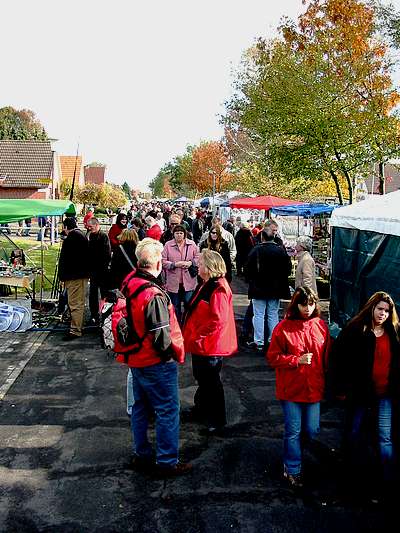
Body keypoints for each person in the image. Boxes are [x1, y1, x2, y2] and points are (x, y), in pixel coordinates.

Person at [116, 238, 192, 477]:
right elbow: (161, 334)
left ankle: (142, 453)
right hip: (154, 360)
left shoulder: (131, 281)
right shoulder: (152, 294)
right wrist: (170, 355)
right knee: (167, 409)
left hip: (136, 357)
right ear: (158, 262)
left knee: (140, 407)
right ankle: (168, 460)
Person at [329, 291, 400, 499]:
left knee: (385, 438)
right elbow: (338, 359)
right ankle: (347, 479)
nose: (383, 314)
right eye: (380, 309)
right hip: (360, 393)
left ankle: (387, 483)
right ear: (371, 307)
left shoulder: (394, 331)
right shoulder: (355, 330)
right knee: (353, 433)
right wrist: (340, 389)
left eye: (387, 311)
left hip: (385, 393)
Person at [267, 287, 330, 488]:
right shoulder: (283, 327)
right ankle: (292, 468)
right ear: (296, 304)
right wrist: (296, 360)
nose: (307, 308)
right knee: (293, 430)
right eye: (303, 304)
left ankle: (291, 454)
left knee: (311, 430)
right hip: (291, 389)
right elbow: (273, 357)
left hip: (314, 388)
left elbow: (327, 358)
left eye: (311, 304)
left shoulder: (320, 325)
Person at [182, 249, 238, 435]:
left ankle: (216, 420)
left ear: (209, 267)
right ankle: (202, 410)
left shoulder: (218, 287)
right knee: (204, 378)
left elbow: (218, 320)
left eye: (200, 263)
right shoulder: (208, 284)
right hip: (203, 343)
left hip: (209, 344)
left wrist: (199, 336)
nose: (197, 265)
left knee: (211, 382)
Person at [244, 227, 291, 351]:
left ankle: (259, 341)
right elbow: (287, 270)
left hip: (258, 288)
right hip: (275, 289)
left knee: (258, 314)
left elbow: (248, 269)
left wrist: (250, 280)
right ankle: (272, 340)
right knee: (273, 314)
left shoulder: (256, 250)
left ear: (262, 237)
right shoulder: (280, 251)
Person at [58, 218, 90, 340]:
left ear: (66, 227)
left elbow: (66, 260)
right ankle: (77, 326)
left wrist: (62, 276)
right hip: (79, 276)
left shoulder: (72, 238)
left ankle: (76, 330)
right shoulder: (80, 236)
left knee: (75, 303)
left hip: (74, 276)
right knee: (78, 302)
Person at [162, 225, 199, 323]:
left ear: (185, 234)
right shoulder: (168, 245)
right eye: (177, 233)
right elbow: (163, 261)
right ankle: (177, 325)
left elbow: (198, 258)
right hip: (174, 281)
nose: (179, 235)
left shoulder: (192, 244)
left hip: (189, 281)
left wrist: (190, 263)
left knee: (189, 303)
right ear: (173, 234)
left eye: (181, 233)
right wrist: (174, 264)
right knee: (175, 305)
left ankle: (188, 324)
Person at [87, 217, 112, 325]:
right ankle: (94, 315)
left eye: (91, 227)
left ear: (97, 225)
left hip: (102, 270)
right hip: (93, 270)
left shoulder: (103, 236)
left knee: (103, 293)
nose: (89, 228)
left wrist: (103, 267)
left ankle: (104, 314)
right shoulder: (90, 235)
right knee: (92, 294)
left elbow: (107, 254)